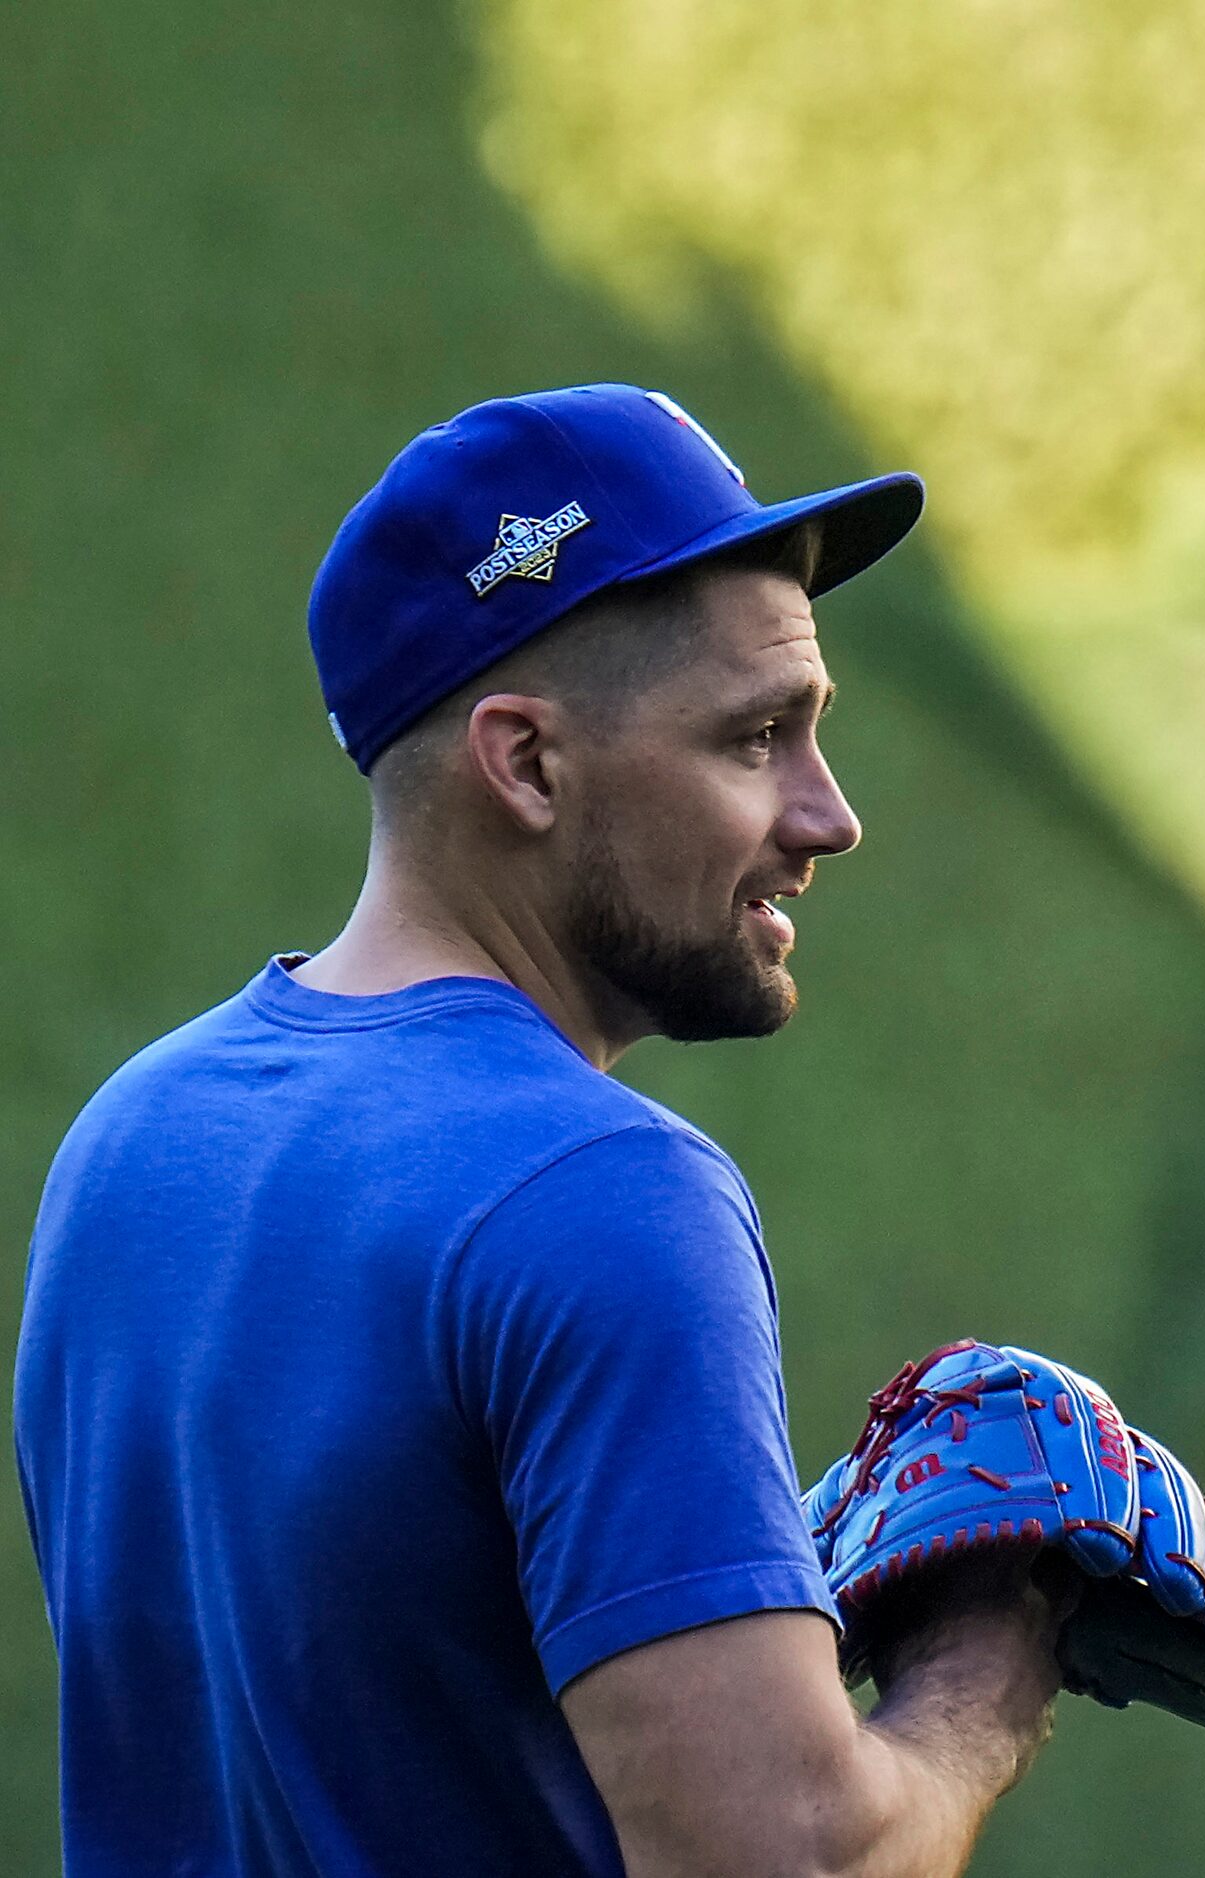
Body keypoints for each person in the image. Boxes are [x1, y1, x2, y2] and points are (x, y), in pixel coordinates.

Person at [16, 385, 1061, 1877]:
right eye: (757, 736)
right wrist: (989, 1664)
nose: (828, 816)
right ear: (526, 763)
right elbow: (784, 1863)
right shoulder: (603, 1192)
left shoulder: (126, 1143)